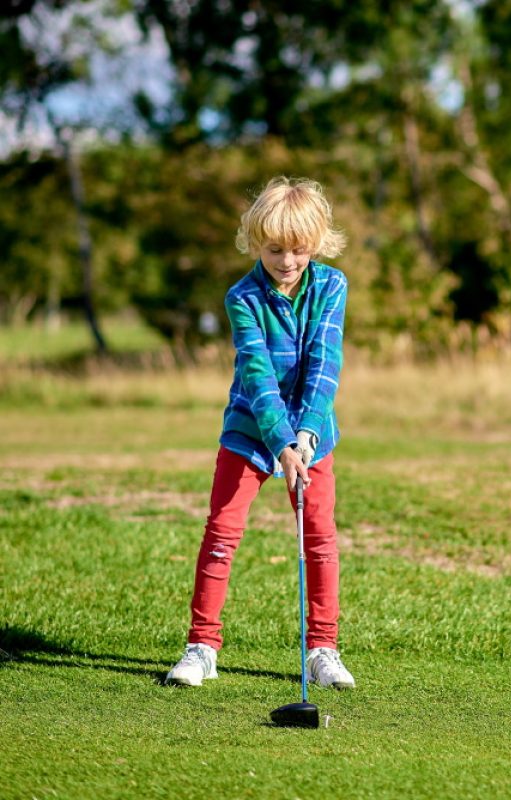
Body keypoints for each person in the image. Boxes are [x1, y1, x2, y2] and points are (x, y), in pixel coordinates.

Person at [166, 176, 355, 690]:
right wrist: (280, 442)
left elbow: (324, 366)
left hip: (314, 434)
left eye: (298, 249)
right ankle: (202, 646)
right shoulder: (242, 297)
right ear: (256, 244)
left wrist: (306, 438)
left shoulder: (332, 287)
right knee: (222, 533)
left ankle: (323, 649)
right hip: (251, 430)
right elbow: (257, 375)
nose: (288, 261)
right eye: (275, 249)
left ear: (315, 244)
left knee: (319, 539)